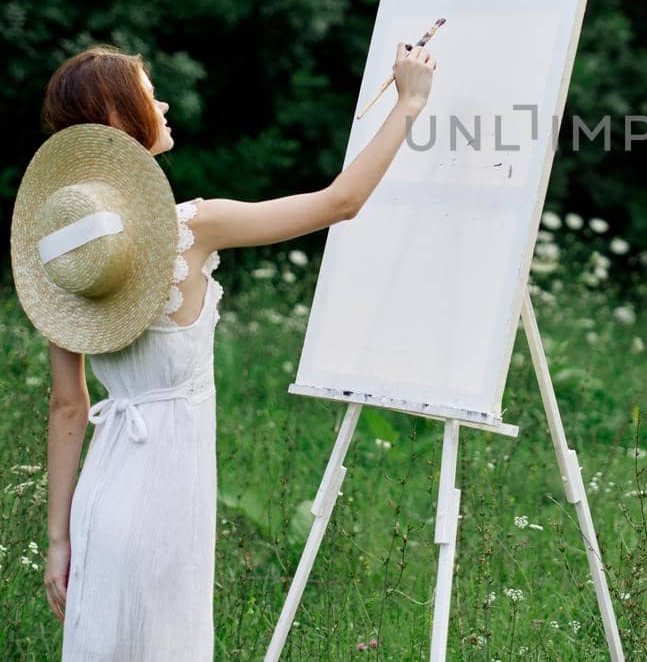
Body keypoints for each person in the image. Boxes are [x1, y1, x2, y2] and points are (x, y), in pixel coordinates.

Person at [39, 41, 435, 659]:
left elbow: (68, 407)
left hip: (99, 496)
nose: (164, 104)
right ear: (119, 120)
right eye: (149, 95)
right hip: (165, 494)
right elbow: (341, 202)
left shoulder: (64, 254)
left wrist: (58, 540)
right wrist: (409, 101)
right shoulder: (192, 227)